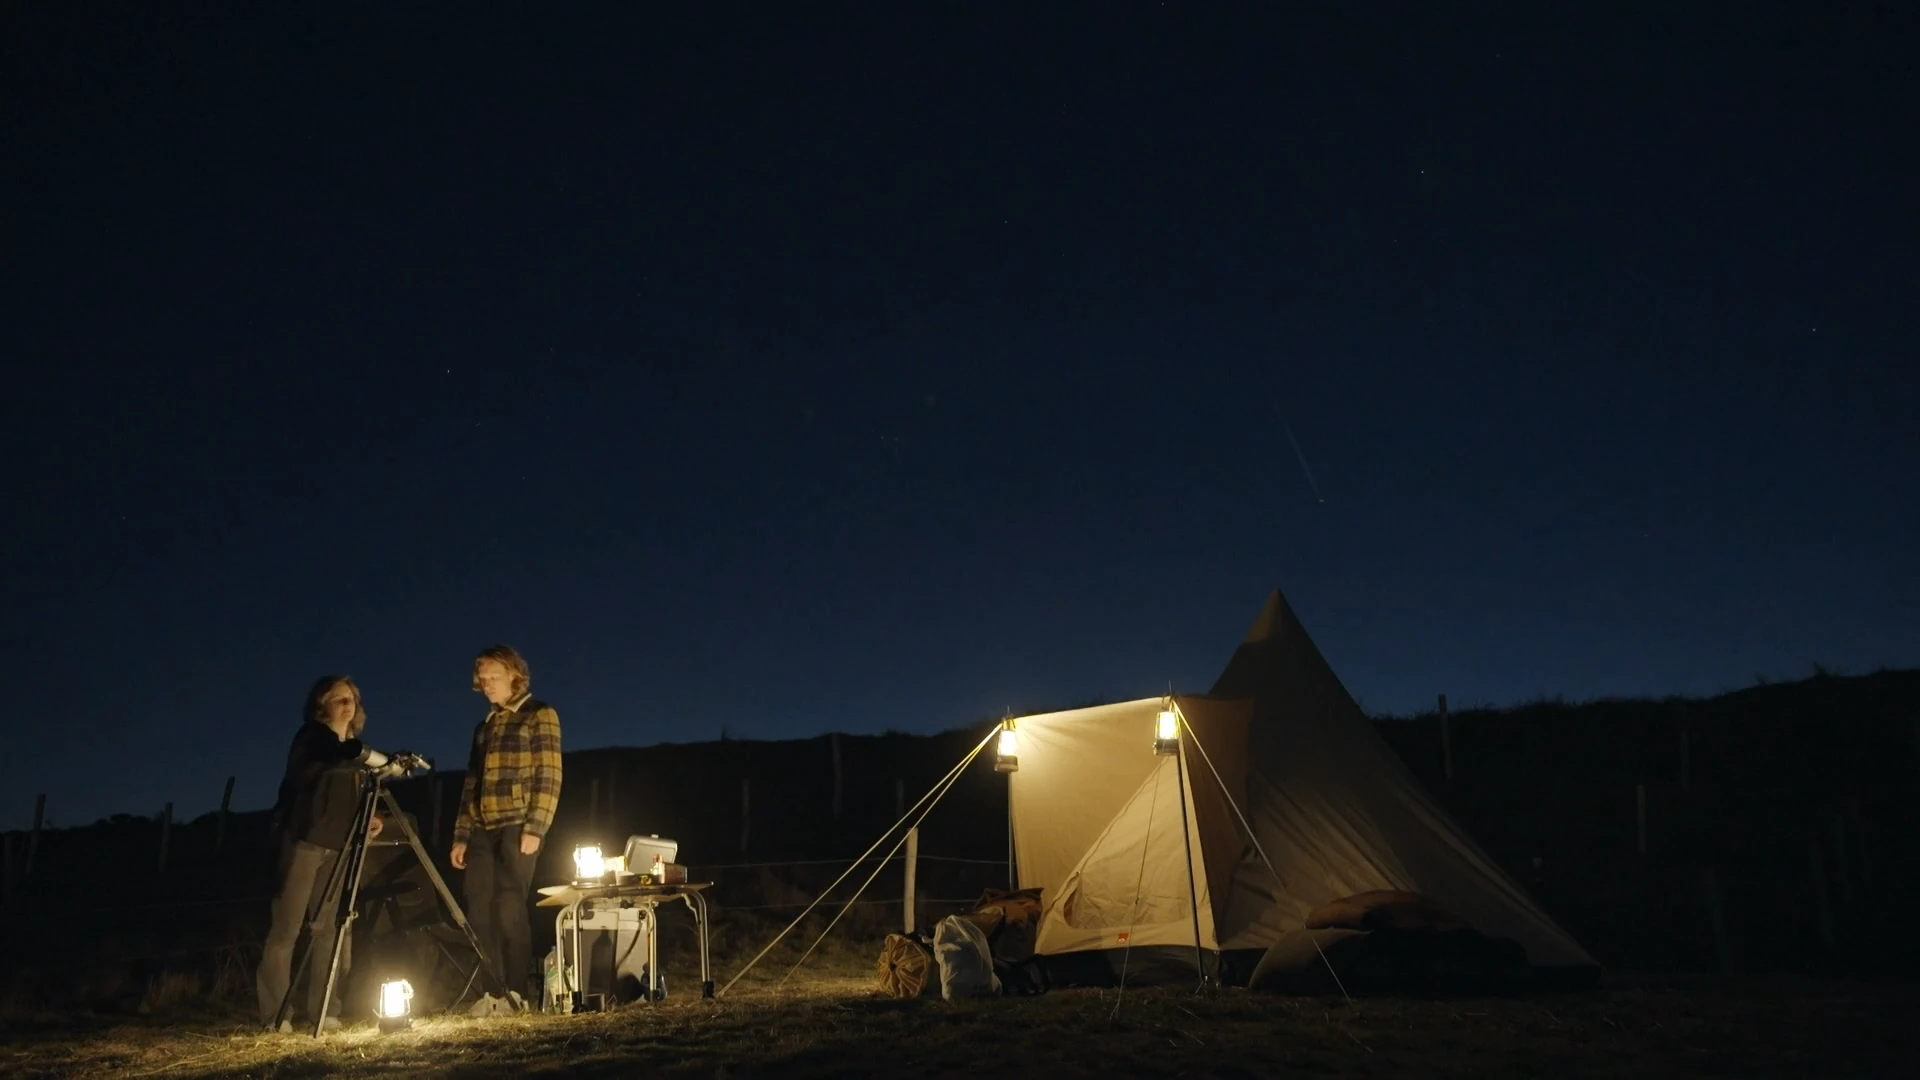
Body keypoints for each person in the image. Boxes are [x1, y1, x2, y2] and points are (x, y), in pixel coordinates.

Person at [257, 675, 408, 1033]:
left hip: (340, 849)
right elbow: (322, 768)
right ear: (321, 704)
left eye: (351, 698)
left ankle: (325, 1009)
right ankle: (275, 1015)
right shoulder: (312, 739)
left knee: (330, 931)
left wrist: (371, 816)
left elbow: (353, 789)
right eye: (339, 698)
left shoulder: (353, 746)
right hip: (304, 842)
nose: (347, 704)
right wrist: (368, 759)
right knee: (287, 930)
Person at [450, 644, 563, 1006]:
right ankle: (491, 992)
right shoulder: (485, 727)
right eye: (481, 680)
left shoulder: (538, 714)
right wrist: (462, 835)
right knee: (478, 909)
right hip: (483, 827)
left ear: (514, 675)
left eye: (493, 678)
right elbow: (472, 783)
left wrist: (536, 827)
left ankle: (516, 993)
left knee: (510, 908)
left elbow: (550, 775)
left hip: (518, 825)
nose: (486, 685)